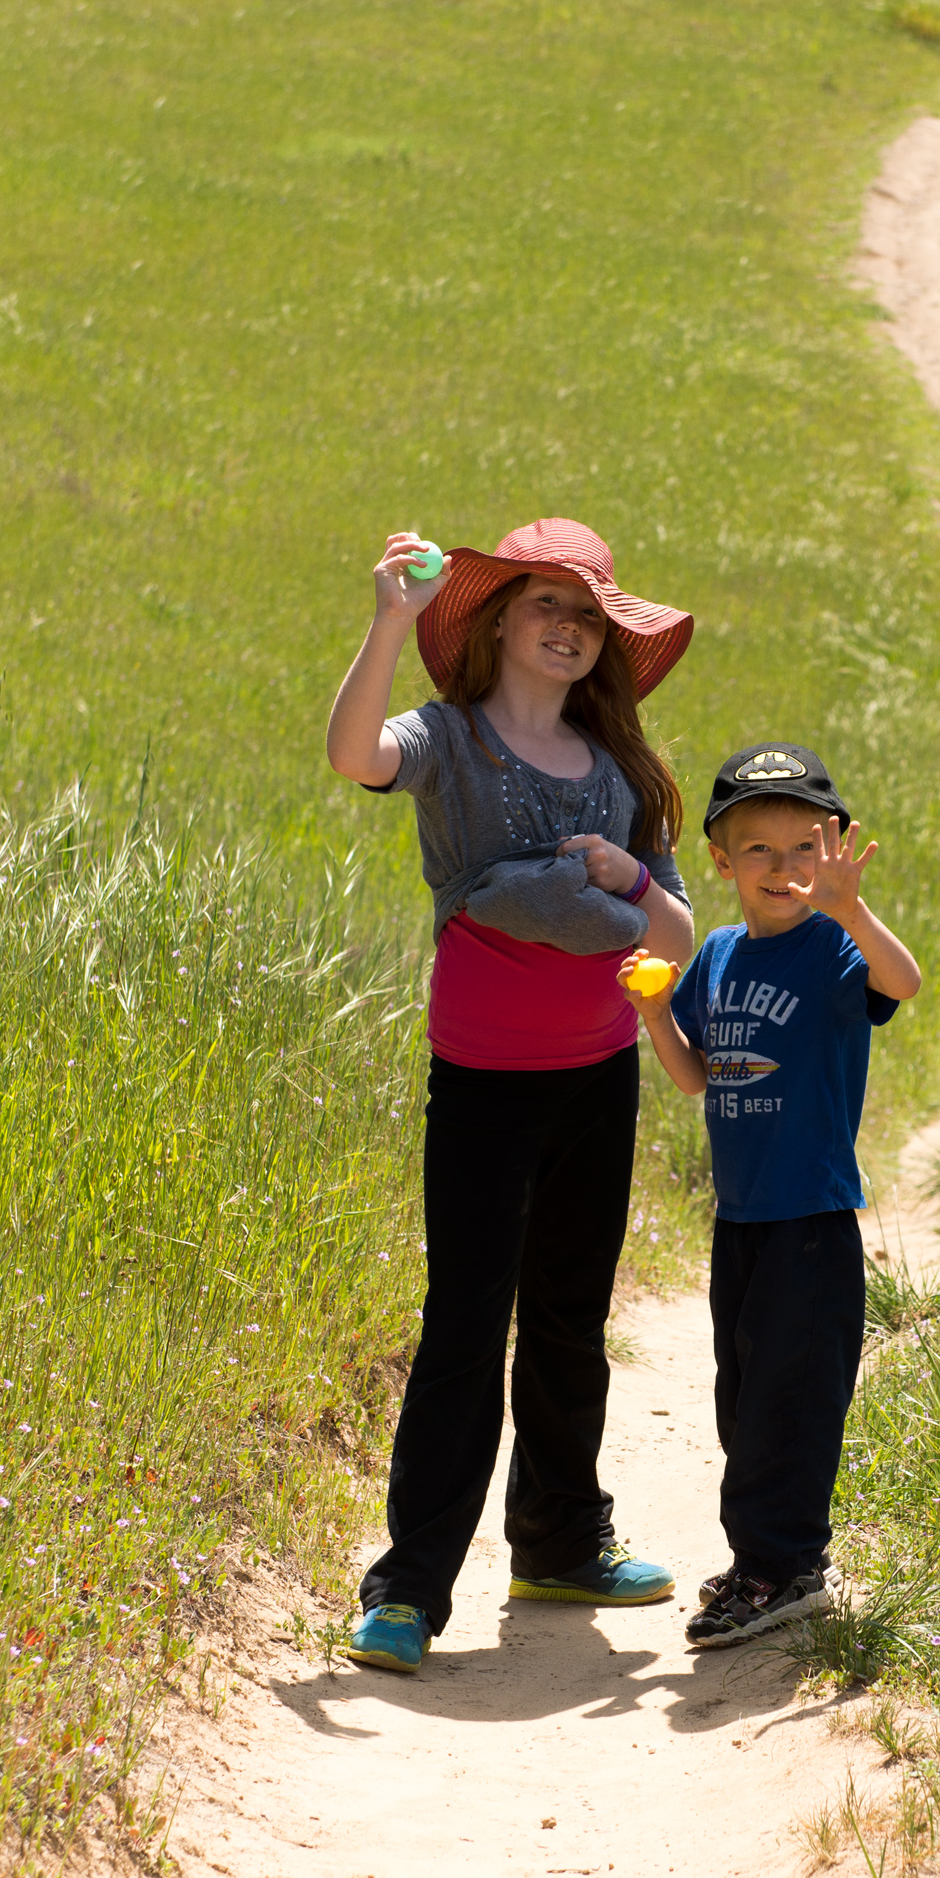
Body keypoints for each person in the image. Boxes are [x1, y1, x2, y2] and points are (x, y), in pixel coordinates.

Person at [322, 517, 699, 1674]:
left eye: (589, 615)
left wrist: (629, 878)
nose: (568, 628)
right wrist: (390, 619)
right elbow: (352, 755)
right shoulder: (448, 741)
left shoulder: (624, 771)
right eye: (546, 603)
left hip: (599, 1076)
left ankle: (560, 1544)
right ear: (494, 619)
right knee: (466, 1324)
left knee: (571, 1321)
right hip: (485, 1083)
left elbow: (676, 935)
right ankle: (406, 1592)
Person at [635, 741, 922, 1648]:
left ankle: (787, 1569)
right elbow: (695, 1075)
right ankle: (759, 1557)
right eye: (758, 847)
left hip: (810, 1220)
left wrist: (852, 908)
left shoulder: (835, 945)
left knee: (790, 1404)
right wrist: (655, 1012)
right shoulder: (719, 955)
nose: (783, 865)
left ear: (833, 851)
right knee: (743, 1397)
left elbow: (904, 982)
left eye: (806, 846)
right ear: (722, 861)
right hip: (743, 1221)